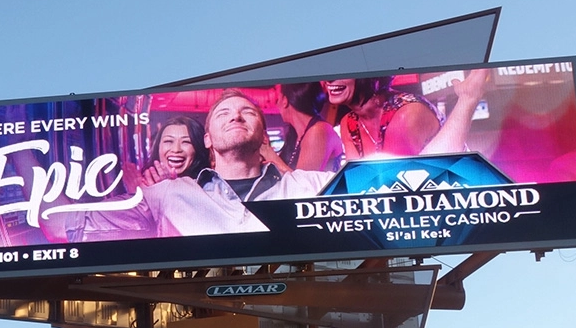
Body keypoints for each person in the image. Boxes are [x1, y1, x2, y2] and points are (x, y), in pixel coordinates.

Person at [63, 89, 334, 242]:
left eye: (247, 112)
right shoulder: (169, 193)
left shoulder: (307, 186)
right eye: (223, 113)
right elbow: (63, 224)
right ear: (208, 139)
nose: (236, 116)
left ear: (264, 136)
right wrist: (23, 153)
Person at [321, 69, 489, 159]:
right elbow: (359, 184)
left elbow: (395, 184)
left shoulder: (406, 113)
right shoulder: (349, 123)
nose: (328, 79)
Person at [261, 82, 342, 172]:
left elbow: (303, 183)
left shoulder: (318, 130)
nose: (276, 105)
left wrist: (267, 152)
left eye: (277, 99)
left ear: (285, 101)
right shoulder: (295, 135)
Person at [139, 116, 210, 184]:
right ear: (158, 147)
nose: (176, 150)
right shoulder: (142, 185)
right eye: (168, 141)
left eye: (186, 142)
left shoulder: (210, 187)